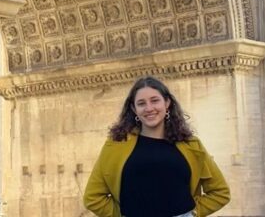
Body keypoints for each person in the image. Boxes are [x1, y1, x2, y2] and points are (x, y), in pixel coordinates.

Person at [83, 76, 230, 217]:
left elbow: (220, 192)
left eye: (154, 101)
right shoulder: (116, 144)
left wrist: (192, 214)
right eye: (141, 103)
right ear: (134, 109)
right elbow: (93, 197)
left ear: (167, 103)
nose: (149, 108)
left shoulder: (191, 144)